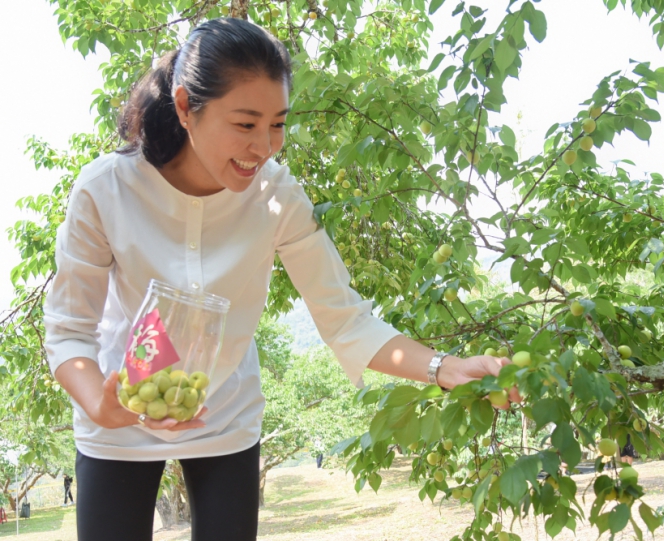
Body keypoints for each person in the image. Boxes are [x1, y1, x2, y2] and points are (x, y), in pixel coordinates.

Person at [44, 18, 519, 541]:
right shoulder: (106, 189)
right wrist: (99, 402)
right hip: (118, 416)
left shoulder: (277, 196)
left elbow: (345, 319)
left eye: (278, 124)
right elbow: (68, 329)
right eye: (246, 124)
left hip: (224, 417)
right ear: (184, 107)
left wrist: (446, 368)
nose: (265, 147)